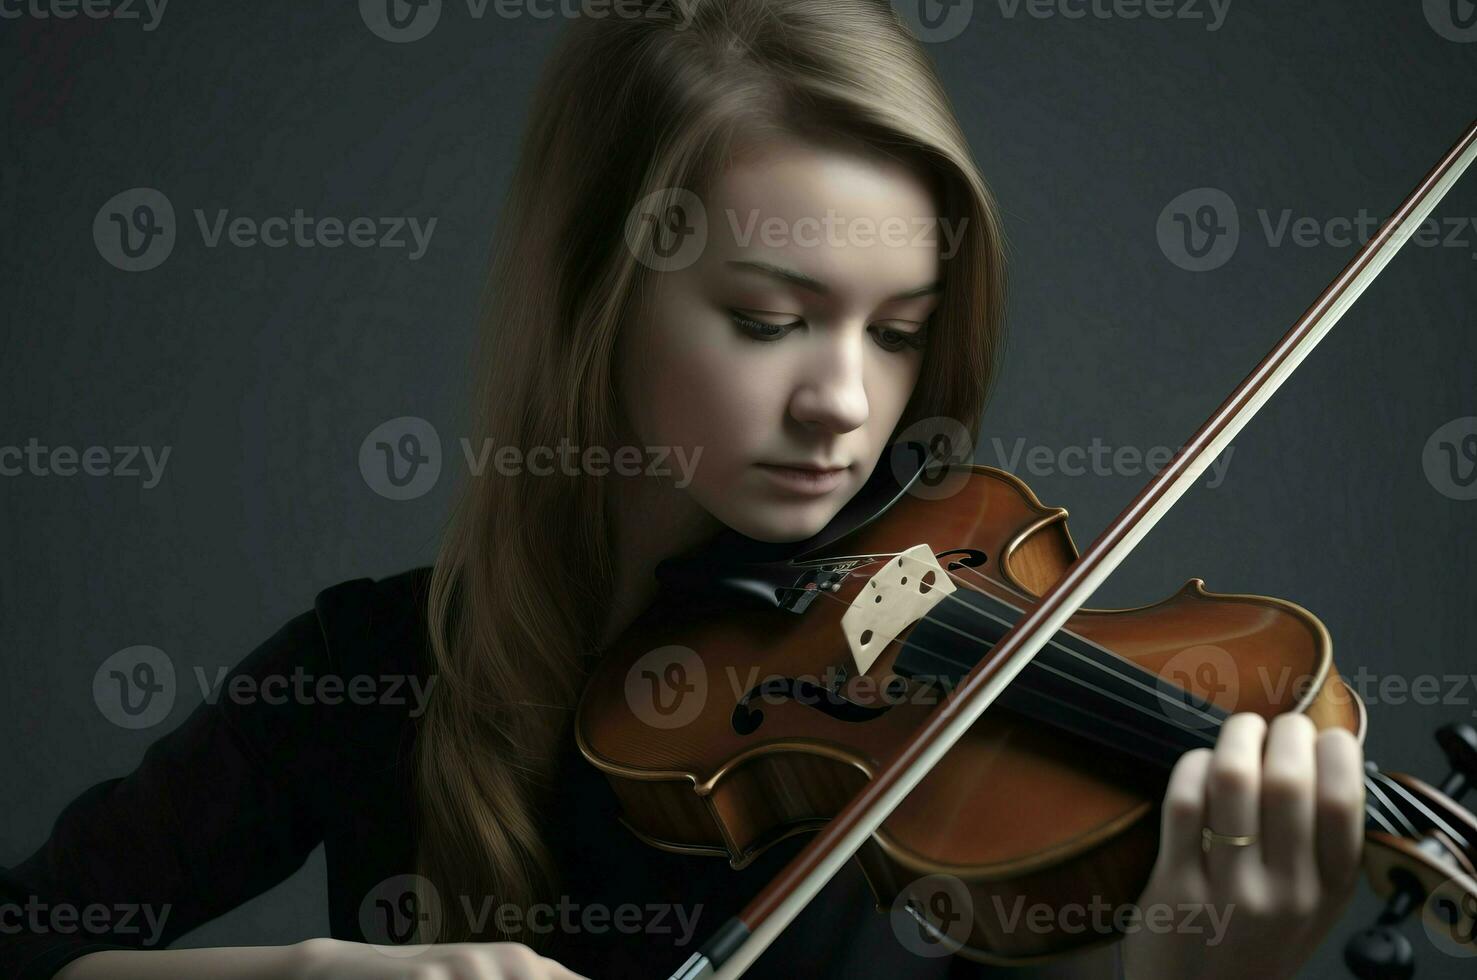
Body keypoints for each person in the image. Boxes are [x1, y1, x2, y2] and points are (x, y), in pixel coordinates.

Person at [1, 2, 1366, 978]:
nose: (844, 399)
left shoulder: (943, 780)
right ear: (597, 300)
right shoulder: (365, 674)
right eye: (771, 318)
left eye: (896, 331)